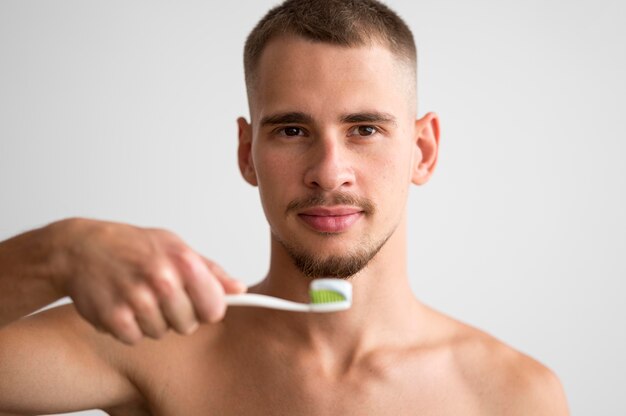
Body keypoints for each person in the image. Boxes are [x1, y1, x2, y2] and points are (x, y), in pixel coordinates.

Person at [0, 0, 569, 414]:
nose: (328, 171)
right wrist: (55, 253)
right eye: (293, 130)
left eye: (364, 129)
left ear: (423, 150)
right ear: (248, 153)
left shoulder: (515, 395)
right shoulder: (148, 346)